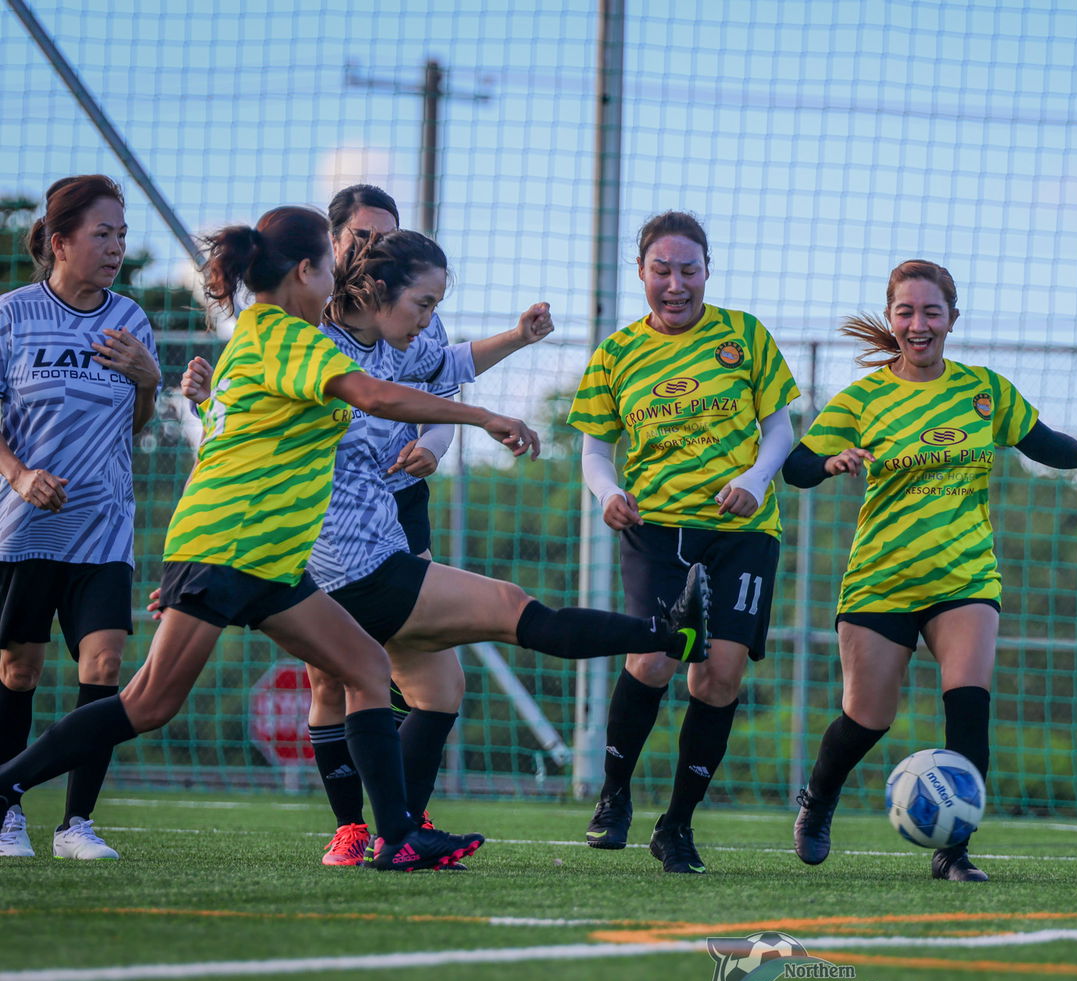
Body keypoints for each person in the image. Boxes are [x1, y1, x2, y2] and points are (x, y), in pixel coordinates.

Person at [0, 205, 538, 871]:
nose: (344, 281)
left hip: (271, 560)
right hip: (229, 549)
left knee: (366, 668)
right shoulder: (287, 336)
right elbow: (374, 396)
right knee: (148, 703)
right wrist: (484, 415)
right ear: (308, 270)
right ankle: (5, 786)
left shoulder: (272, 335)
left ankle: (397, 837)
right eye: (335, 268)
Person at [184, 229, 714, 867]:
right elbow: (248, 432)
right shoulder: (315, 349)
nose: (429, 321)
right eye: (424, 304)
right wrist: (485, 418)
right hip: (350, 563)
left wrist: (517, 338)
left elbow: (450, 366)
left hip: (378, 552)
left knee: (439, 692)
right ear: (372, 287)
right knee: (509, 609)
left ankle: (395, 837)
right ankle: (666, 634)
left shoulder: (385, 345)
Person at [783, 259, 1077, 881]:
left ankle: (954, 850)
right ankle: (819, 799)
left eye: (930, 312)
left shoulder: (984, 390)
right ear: (891, 320)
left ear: (952, 319)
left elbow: (1038, 439)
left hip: (965, 577)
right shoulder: (864, 397)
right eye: (905, 312)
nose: (918, 324)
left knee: (968, 703)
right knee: (868, 717)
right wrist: (832, 461)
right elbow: (797, 468)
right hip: (880, 580)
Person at [308, 185, 553, 864]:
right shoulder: (306, 326)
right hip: (324, 526)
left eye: (385, 235)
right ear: (333, 243)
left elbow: (438, 387)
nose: (372, 247)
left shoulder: (414, 317)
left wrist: (433, 450)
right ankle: (357, 829)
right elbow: (376, 395)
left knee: (431, 682)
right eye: (360, 236)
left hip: (395, 508)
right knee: (337, 674)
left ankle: (401, 826)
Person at [568, 210, 799, 874]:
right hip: (656, 529)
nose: (676, 284)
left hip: (743, 530)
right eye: (661, 270)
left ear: (707, 270)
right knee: (655, 660)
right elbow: (593, 451)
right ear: (640, 272)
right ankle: (614, 797)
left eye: (688, 270)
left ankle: (677, 826)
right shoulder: (617, 353)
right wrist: (607, 495)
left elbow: (780, 430)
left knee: (720, 676)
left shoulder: (744, 335)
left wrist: (756, 478)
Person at [0, 175, 161, 861]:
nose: (116, 247)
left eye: (122, 234)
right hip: (23, 530)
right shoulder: (11, 315)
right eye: (103, 233)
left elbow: (138, 425)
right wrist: (20, 476)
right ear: (60, 241)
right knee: (19, 671)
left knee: (104, 661)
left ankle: (76, 826)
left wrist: (147, 379)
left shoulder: (132, 320)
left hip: (104, 529)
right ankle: (6, 815)